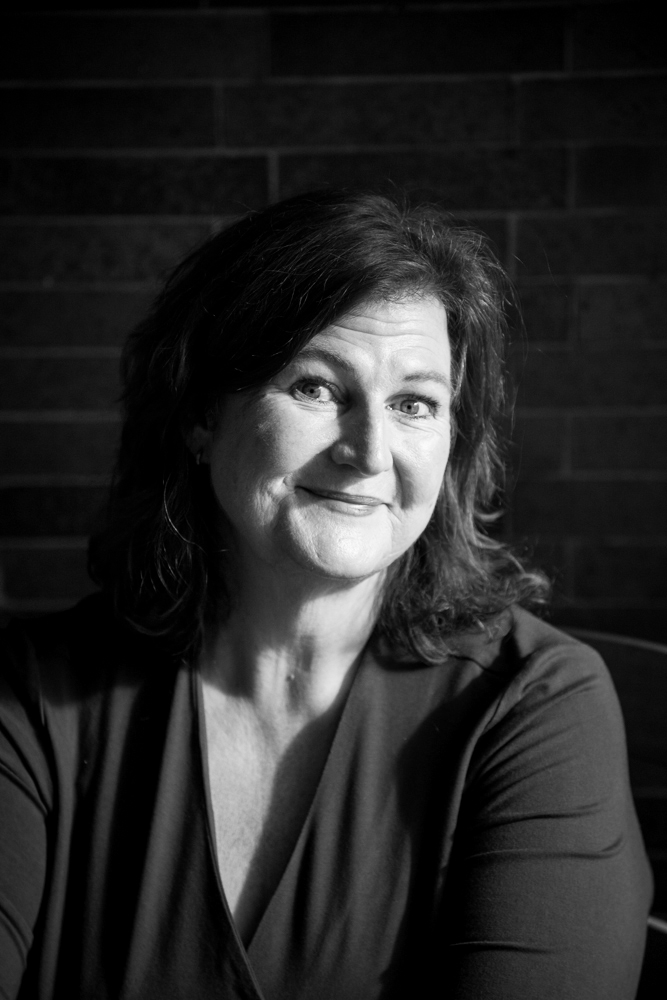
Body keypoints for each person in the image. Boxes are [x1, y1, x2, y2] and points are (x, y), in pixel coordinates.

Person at [0, 189, 652, 999]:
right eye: (315, 387)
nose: (369, 451)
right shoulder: (30, 700)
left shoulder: (535, 704)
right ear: (202, 414)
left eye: (414, 403)